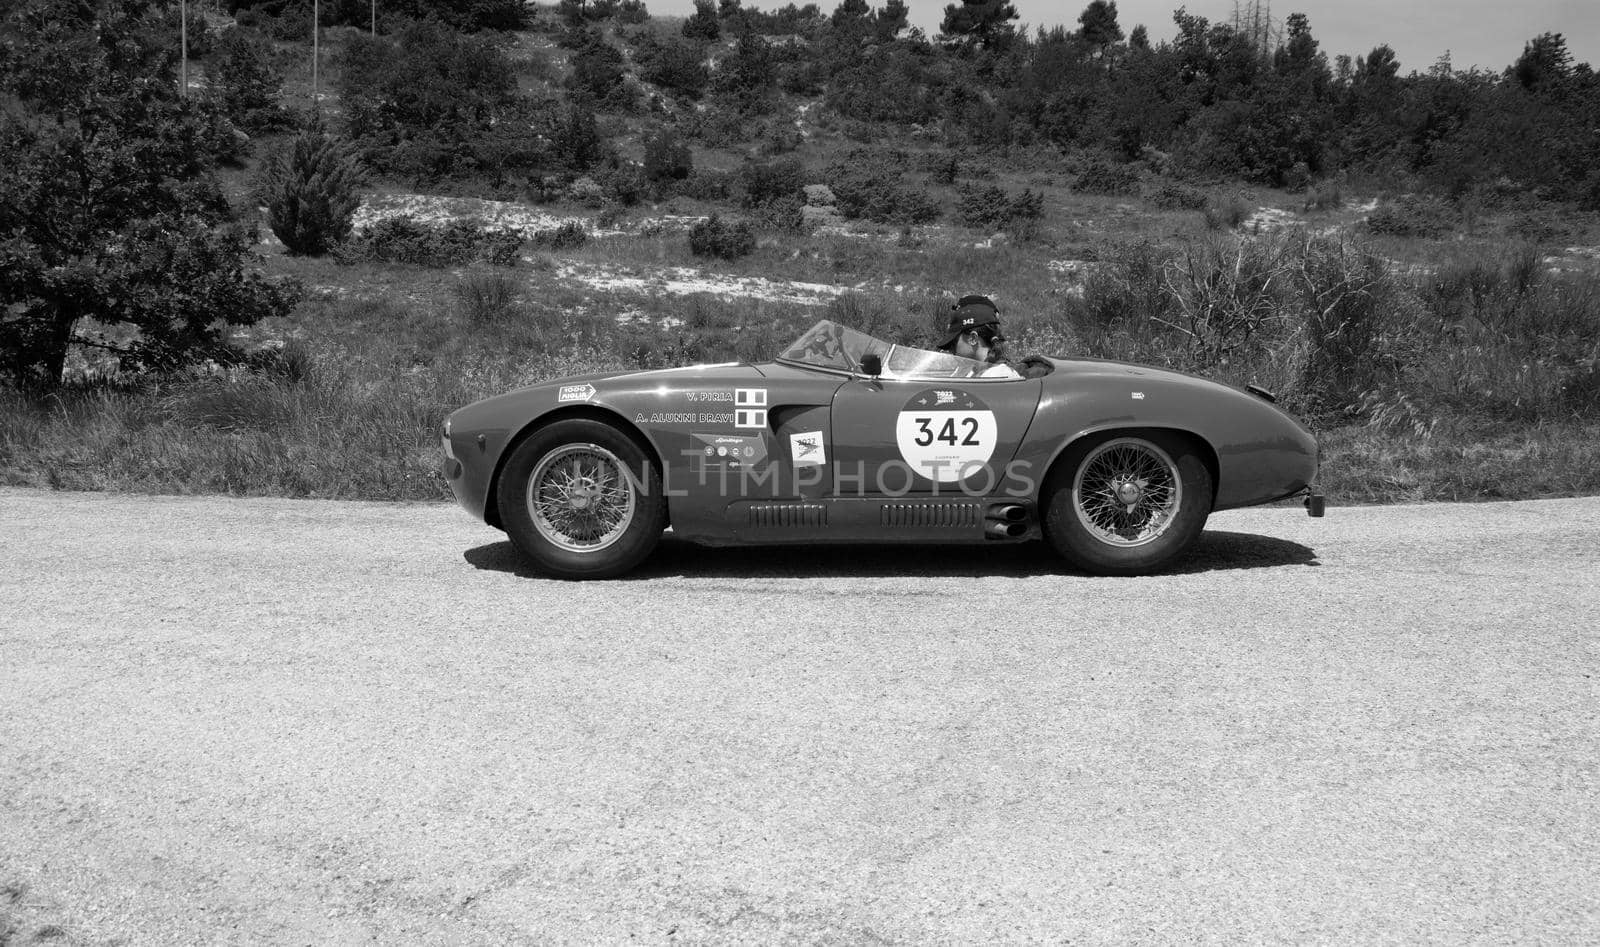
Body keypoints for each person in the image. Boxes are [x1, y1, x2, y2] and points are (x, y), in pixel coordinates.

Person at [936, 295, 1020, 378]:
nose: (950, 350)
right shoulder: (972, 372)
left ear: (973, 338)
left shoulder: (998, 375)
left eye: (953, 343)